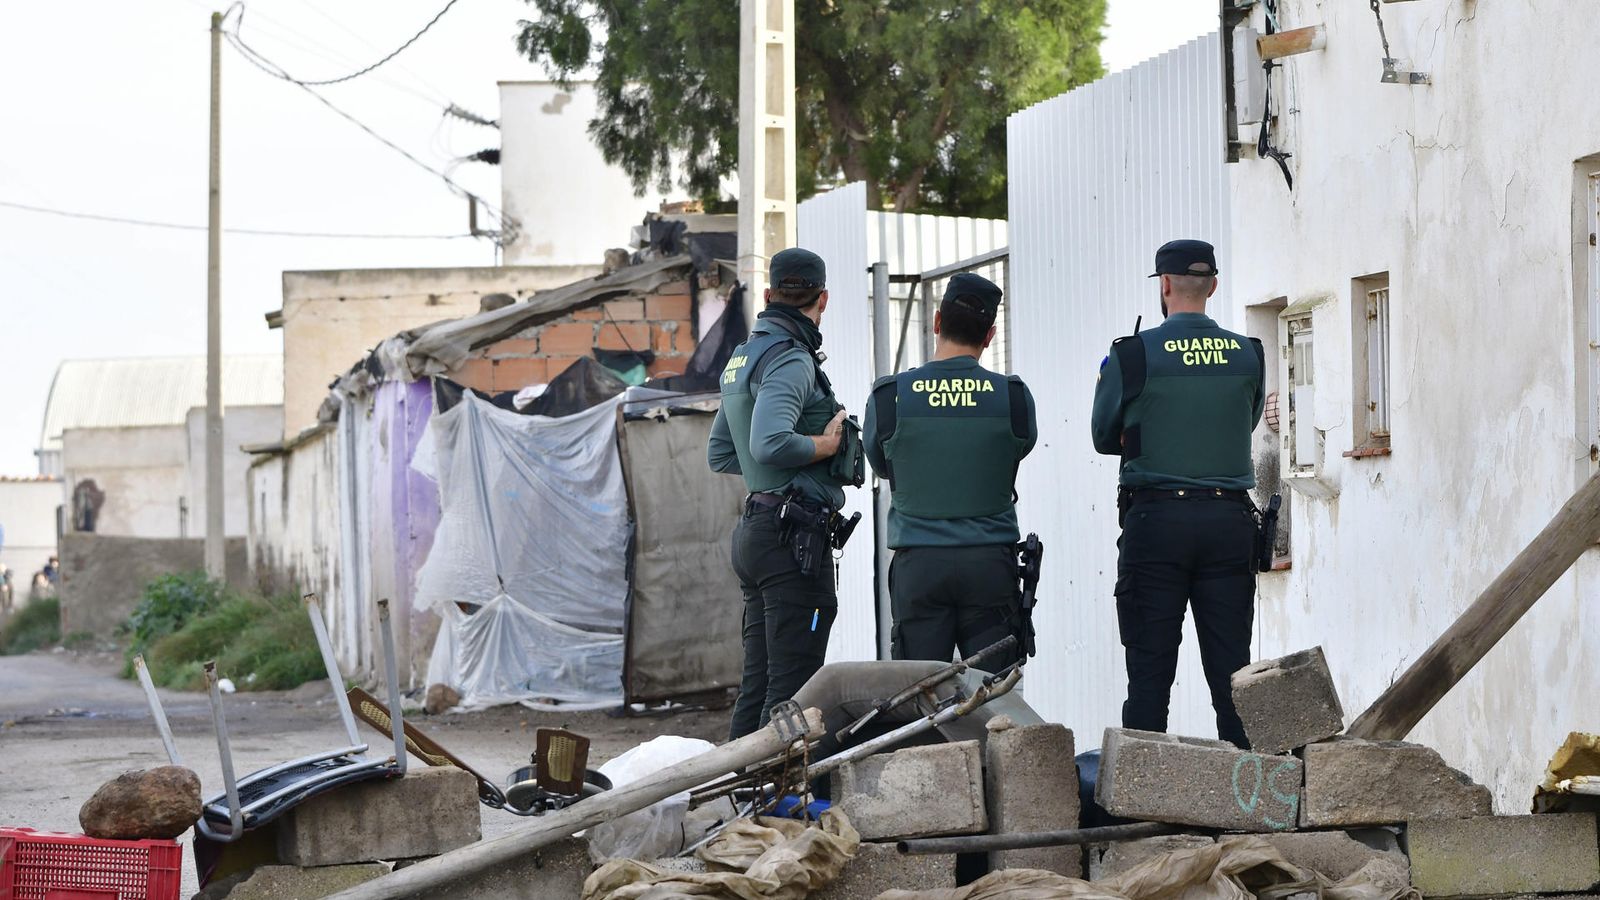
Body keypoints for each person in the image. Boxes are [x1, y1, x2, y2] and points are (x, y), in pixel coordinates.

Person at [1090, 239, 1265, 748]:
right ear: (1212, 286)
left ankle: (1145, 811)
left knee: (1149, 677)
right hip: (1228, 524)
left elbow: (1104, 436)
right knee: (1232, 676)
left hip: (1156, 524)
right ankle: (1249, 804)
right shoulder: (1250, 354)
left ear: (1163, 286)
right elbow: (1245, 421)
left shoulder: (1130, 355)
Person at [708, 248, 856, 740]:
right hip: (792, 540)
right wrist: (825, 445)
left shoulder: (742, 357)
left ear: (770, 295)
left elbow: (722, 454)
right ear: (823, 299)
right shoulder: (791, 359)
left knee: (758, 684)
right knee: (793, 688)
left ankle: (740, 799)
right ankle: (779, 803)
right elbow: (768, 442)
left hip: (758, 531)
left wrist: (769, 479)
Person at [863, 273, 1037, 670]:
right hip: (990, 564)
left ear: (937, 322)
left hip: (919, 567)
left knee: (916, 698)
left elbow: (881, 465)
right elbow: (1018, 450)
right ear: (991, 335)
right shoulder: (1013, 397)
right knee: (995, 697)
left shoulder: (889, 396)